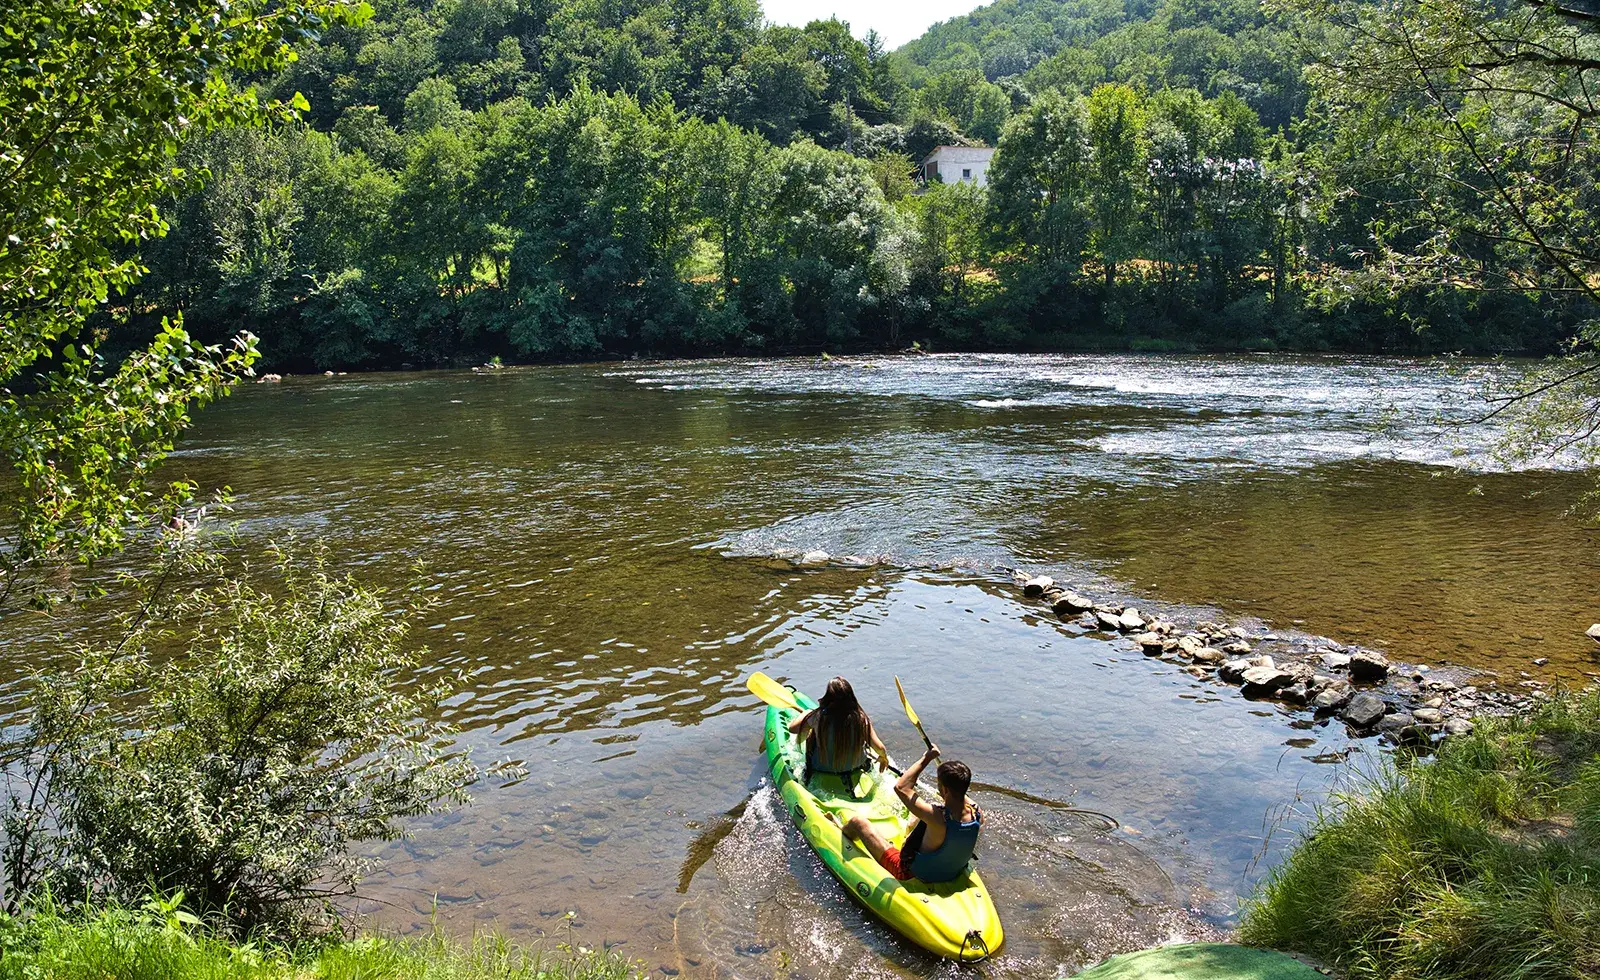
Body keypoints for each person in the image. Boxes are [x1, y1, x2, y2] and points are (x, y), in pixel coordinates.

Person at [842, 744, 980, 884]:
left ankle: (838, 833)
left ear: (945, 790)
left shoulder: (937, 818)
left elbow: (901, 787)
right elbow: (959, 792)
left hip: (911, 874)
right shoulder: (977, 813)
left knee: (857, 822)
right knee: (918, 813)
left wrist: (928, 757)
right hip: (951, 872)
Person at [788, 676, 891, 778]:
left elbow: (792, 729)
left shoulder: (818, 717)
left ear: (828, 697)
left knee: (811, 736)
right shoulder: (861, 718)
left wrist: (807, 713)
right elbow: (880, 748)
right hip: (855, 766)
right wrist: (883, 757)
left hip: (822, 768)